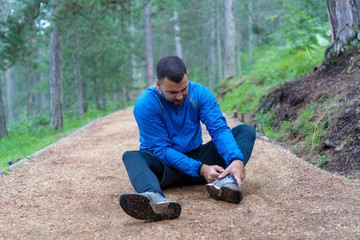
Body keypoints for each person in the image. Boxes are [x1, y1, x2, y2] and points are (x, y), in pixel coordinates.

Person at [119, 56, 256, 221]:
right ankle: (154, 199)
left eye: (183, 89)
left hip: (197, 157)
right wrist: (200, 168)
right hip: (164, 167)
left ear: (187, 77)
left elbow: (218, 129)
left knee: (246, 131)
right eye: (172, 92)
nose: (179, 97)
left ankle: (225, 183)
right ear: (158, 85)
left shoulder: (200, 93)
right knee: (131, 157)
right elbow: (161, 150)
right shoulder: (146, 103)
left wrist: (235, 159)